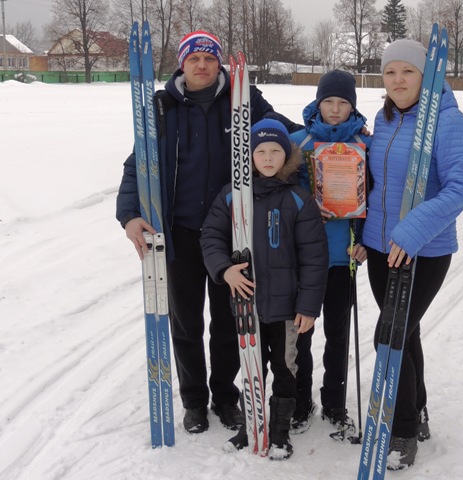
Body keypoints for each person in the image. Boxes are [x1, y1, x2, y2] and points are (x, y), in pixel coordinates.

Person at [116, 31, 301, 435]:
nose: (202, 65)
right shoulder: (162, 108)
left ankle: (225, 397)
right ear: (182, 63)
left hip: (231, 233)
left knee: (229, 320)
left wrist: (334, 136)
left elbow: (288, 134)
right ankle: (194, 401)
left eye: (210, 58)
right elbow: (138, 163)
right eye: (194, 58)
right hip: (178, 232)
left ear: (220, 64)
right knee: (185, 323)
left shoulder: (243, 100)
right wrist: (129, 214)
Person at [362, 39, 463, 469]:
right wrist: (361, 229)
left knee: (389, 335)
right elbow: (377, 184)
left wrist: (411, 232)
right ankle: (419, 408)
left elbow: (458, 189)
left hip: (425, 250)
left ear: (426, 75)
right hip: (379, 247)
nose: (397, 81)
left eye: (407, 71)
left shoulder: (449, 122)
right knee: (405, 333)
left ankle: (403, 430)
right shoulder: (384, 118)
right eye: (390, 73)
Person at [200, 119, 329, 459]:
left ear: (286, 155)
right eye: (260, 151)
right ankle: (251, 426)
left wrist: (308, 307)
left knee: (286, 368)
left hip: (287, 309)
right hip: (246, 305)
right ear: (249, 156)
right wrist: (224, 270)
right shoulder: (231, 197)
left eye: (275, 151)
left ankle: (281, 432)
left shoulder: (299, 199)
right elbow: (211, 236)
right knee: (252, 367)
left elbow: (315, 258)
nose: (268, 158)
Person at [289, 70, 369, 434]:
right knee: (300, 333)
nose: (335, 110)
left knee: (338, 334)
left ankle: (334, 403)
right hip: (304, 259)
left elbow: (376, 196)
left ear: (352, 106)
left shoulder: (364, 144)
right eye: (329, 102)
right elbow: (276, 188)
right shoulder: (297, 143)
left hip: (342, 257)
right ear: (318, 103)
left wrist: (364, 238)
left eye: (343, 103)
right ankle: (300, 401)